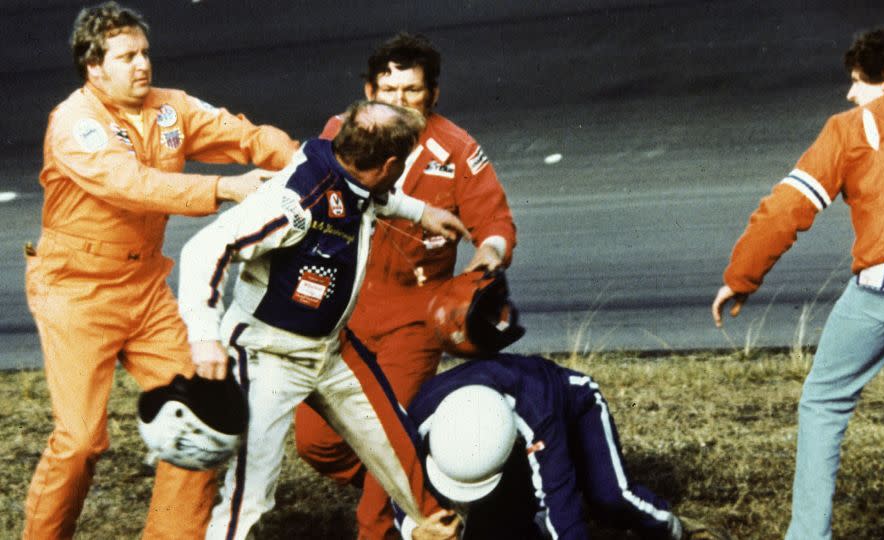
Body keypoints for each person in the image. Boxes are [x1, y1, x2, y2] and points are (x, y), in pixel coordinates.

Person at [22, 2, 298, 538]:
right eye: (126, 57)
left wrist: (302, 164)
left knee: (204, 420)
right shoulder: (75, 122)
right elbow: (132, 185)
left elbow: (241, 135)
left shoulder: (170, 109)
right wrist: (223, 188)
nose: (142, 65)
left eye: (144, 52)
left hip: (144, 288)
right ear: (93, 67)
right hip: (75, 294)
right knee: (81, 442)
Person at [177, 99, 471, 540]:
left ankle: (431, 529)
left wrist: (421, 213)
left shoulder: (353, 171)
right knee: (250, 495)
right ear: (391, 163)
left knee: (402, 454)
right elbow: (204, 249)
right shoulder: (294, 201)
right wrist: (203, 336)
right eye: (403, 161)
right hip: (267, 355)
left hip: (331, 350)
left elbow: (376, 197)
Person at [711, 26, 884, 539]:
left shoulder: (851, 127)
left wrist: (742, 276)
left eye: (857, 81)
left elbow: (788, 208)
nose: (850, 92)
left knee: (825, 401)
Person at [292, 32, 517, 539]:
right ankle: (433, 486)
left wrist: (483, 266)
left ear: (432, 95)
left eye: (411, 91)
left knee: (384, 455)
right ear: (369, 91)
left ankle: (391, 510)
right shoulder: (340, 131)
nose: (399, 102)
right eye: (388, 91)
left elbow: (497, 226)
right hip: (342, 316)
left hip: (413, 323)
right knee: (316, 443)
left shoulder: (457, 149)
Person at [395, 354, 726, 540]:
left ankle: (680, 531)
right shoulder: (419, 416)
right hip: (509, 438)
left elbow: (562, 514)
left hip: (573, 404)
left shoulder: (538, 414)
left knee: (610, 496)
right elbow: (390, 477)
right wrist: (413, 529)